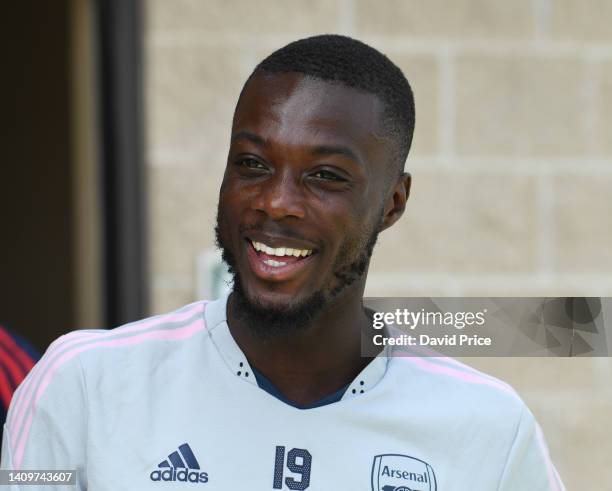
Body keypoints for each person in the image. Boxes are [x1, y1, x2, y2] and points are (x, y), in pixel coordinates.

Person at [2, 35, 565, 490]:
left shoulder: (487, 429)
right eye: (252, 163)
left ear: (393, 202)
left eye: (325, 176)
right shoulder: (83, 387)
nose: (276, 202)